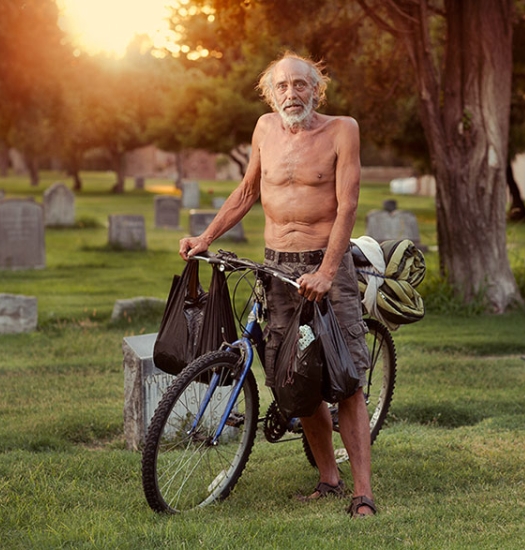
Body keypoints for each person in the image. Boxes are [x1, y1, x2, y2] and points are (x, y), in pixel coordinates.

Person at [178, 52, 376, 518]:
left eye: (300, 84)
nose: (291, 93)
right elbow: (248, 191)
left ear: (316, 90)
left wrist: (327, 271)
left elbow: (347, 205)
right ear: (270, 94)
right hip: (278, 268)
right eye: (282, 86)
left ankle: (363, 492)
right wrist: (205, 238)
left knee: (347, 379)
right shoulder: (264, 129)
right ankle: (329, 478)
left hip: (326, 264)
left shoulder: (342, 130)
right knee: (295, 377)